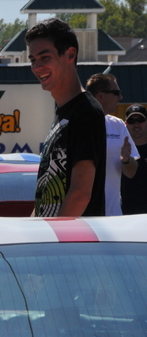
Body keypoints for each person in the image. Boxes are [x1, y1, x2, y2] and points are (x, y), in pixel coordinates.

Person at [26, 18, 106, 217]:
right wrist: (29, 229)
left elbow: (80, 194)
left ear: (70, 54)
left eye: (45, 57)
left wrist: (53, 236)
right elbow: (46, 192)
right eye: (33, 59)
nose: (37, 67)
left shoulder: (85, 112)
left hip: (73, 237)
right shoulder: (64, 112)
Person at [85, 73, 138, 215]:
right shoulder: (76, 124)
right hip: (83, 216)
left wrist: (126, 160)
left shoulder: (118, 125)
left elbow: (131, 172)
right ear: (101, 95)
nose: (120, 97)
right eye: (116, 93)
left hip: (113, 215)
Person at [122, 104, 147, 214]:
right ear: (125, 124)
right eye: (131, 121)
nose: (136, 124)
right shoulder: (120, 149)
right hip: (126, 214)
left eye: (140, 120)